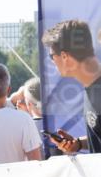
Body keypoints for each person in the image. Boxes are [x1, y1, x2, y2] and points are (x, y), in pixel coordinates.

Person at [41, 20, 101, 154]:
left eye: (52, 56)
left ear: (64, 56)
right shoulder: (90, 87)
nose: (52, 61)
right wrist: (78, 144)